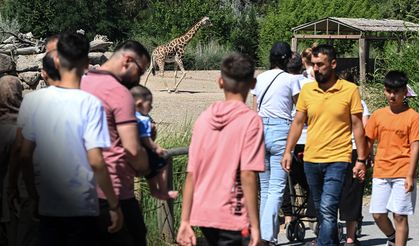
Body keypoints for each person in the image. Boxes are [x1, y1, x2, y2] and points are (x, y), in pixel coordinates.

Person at [18, 32, 122, 245]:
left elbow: (25, 155)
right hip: (82, 206)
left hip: (47, 204)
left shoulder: (32, 101)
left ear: (57, 59)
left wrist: (33, 195)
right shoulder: (91, 103)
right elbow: (96, 160)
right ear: (86, 63)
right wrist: (114, 205)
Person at [281, 44, 368, 246]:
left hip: (338, 158)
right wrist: (288, 151)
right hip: (311, 159)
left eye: (321, 64)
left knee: (328, 208)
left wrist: (361, 159)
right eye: (313, 65)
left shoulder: (350, 90)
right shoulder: (308, 91)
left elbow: (357, 126)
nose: (316, 69)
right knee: (321, 211)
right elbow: (297, 122)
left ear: (333, 63)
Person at [176, 53, 264, 246]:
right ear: (253, 83)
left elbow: (191, 173)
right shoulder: (251, 121)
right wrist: (256, 227)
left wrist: (184, 220)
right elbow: (247, 174)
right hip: (233, 213)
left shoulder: (204, 118)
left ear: (220, 82)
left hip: (204, 213)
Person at [80, 40, 151, 246]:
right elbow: (132, 151)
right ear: (127, 60)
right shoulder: (119, 93)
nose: (139, 78)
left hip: (80, 194)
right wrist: (148, 165)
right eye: (140, 71)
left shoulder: (81, 83)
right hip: (115, 193)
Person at [251, 41, 299, 244]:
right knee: (277, 188)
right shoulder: (291, 79)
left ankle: (261, 236)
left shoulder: (260, 79)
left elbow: (255, 109)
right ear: (288, 59)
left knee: (265, 188)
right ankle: (266, 237)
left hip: (260, 130)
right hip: (281, 130)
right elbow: (300, 108)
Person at [365, 71, 418, 246]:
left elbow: (415, 146)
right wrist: (362, 162)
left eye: (396, 92)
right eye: (389, 91)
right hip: (381, 171)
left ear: (405, 92)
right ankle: (393, 238)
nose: (392, 96)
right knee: (378, 214)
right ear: (384, 91)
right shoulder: (378, 115)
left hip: (403, 171)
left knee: (399, 215)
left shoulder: (413, 117)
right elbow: (368, 140)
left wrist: (410, 175)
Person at [337, 71, 370, 246]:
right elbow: (364, 129)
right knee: (352, 194)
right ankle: (350, 238)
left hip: (340, 150)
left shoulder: (338, 101)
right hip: (354, 150)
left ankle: (338, 235)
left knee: (335, 192)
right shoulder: (362, 103)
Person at [130, 85, 178, 200]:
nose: (151, 108)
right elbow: (146, 138)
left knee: (150, 172)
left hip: (133, 151)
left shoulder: (129, 115)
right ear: (140, 104)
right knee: (163, 164)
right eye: (149, 104)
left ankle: (154, 191)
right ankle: (163, 191)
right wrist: (157, 148)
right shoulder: (144, 120)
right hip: (144, 150)